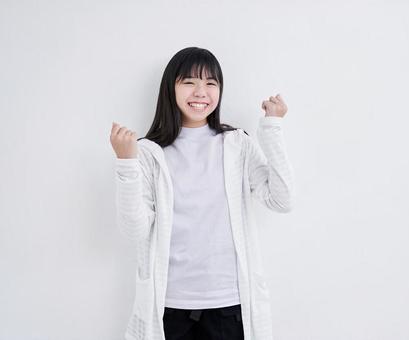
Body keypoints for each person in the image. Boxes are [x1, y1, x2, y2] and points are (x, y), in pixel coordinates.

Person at [110, 47, 295, 340]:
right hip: (168, 307)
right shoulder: (147, 152)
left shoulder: (237, 145)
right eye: (189, 82)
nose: (201, 92)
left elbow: (282, 200)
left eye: (211, 83)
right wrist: (126, 164)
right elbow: (135, 231)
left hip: (228, 305)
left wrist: (272, 127)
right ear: (171, 88)